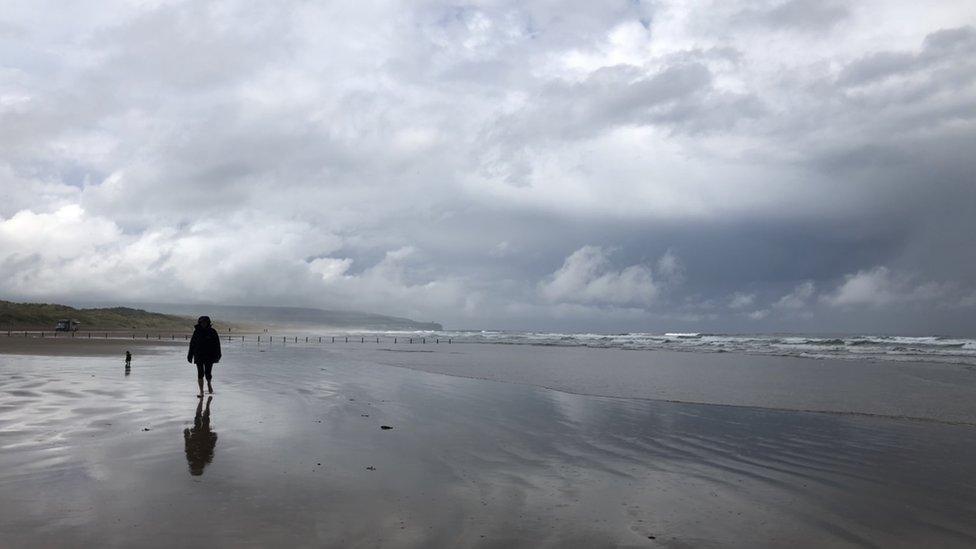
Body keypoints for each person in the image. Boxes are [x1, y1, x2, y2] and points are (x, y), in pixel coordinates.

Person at [187, 316, 221, 397]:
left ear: (208, 323)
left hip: (209, 356)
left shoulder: (213, 332)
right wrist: (190, 355)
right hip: (198, 355)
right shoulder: (196, 332)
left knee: (208, 373)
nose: (203, 324)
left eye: (205, 322)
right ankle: (201, 391)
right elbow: (192, 344)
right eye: (202, 322)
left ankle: (209, 383)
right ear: (199, 323)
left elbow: (217, 344)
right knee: (200, 373)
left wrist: (218, 355)